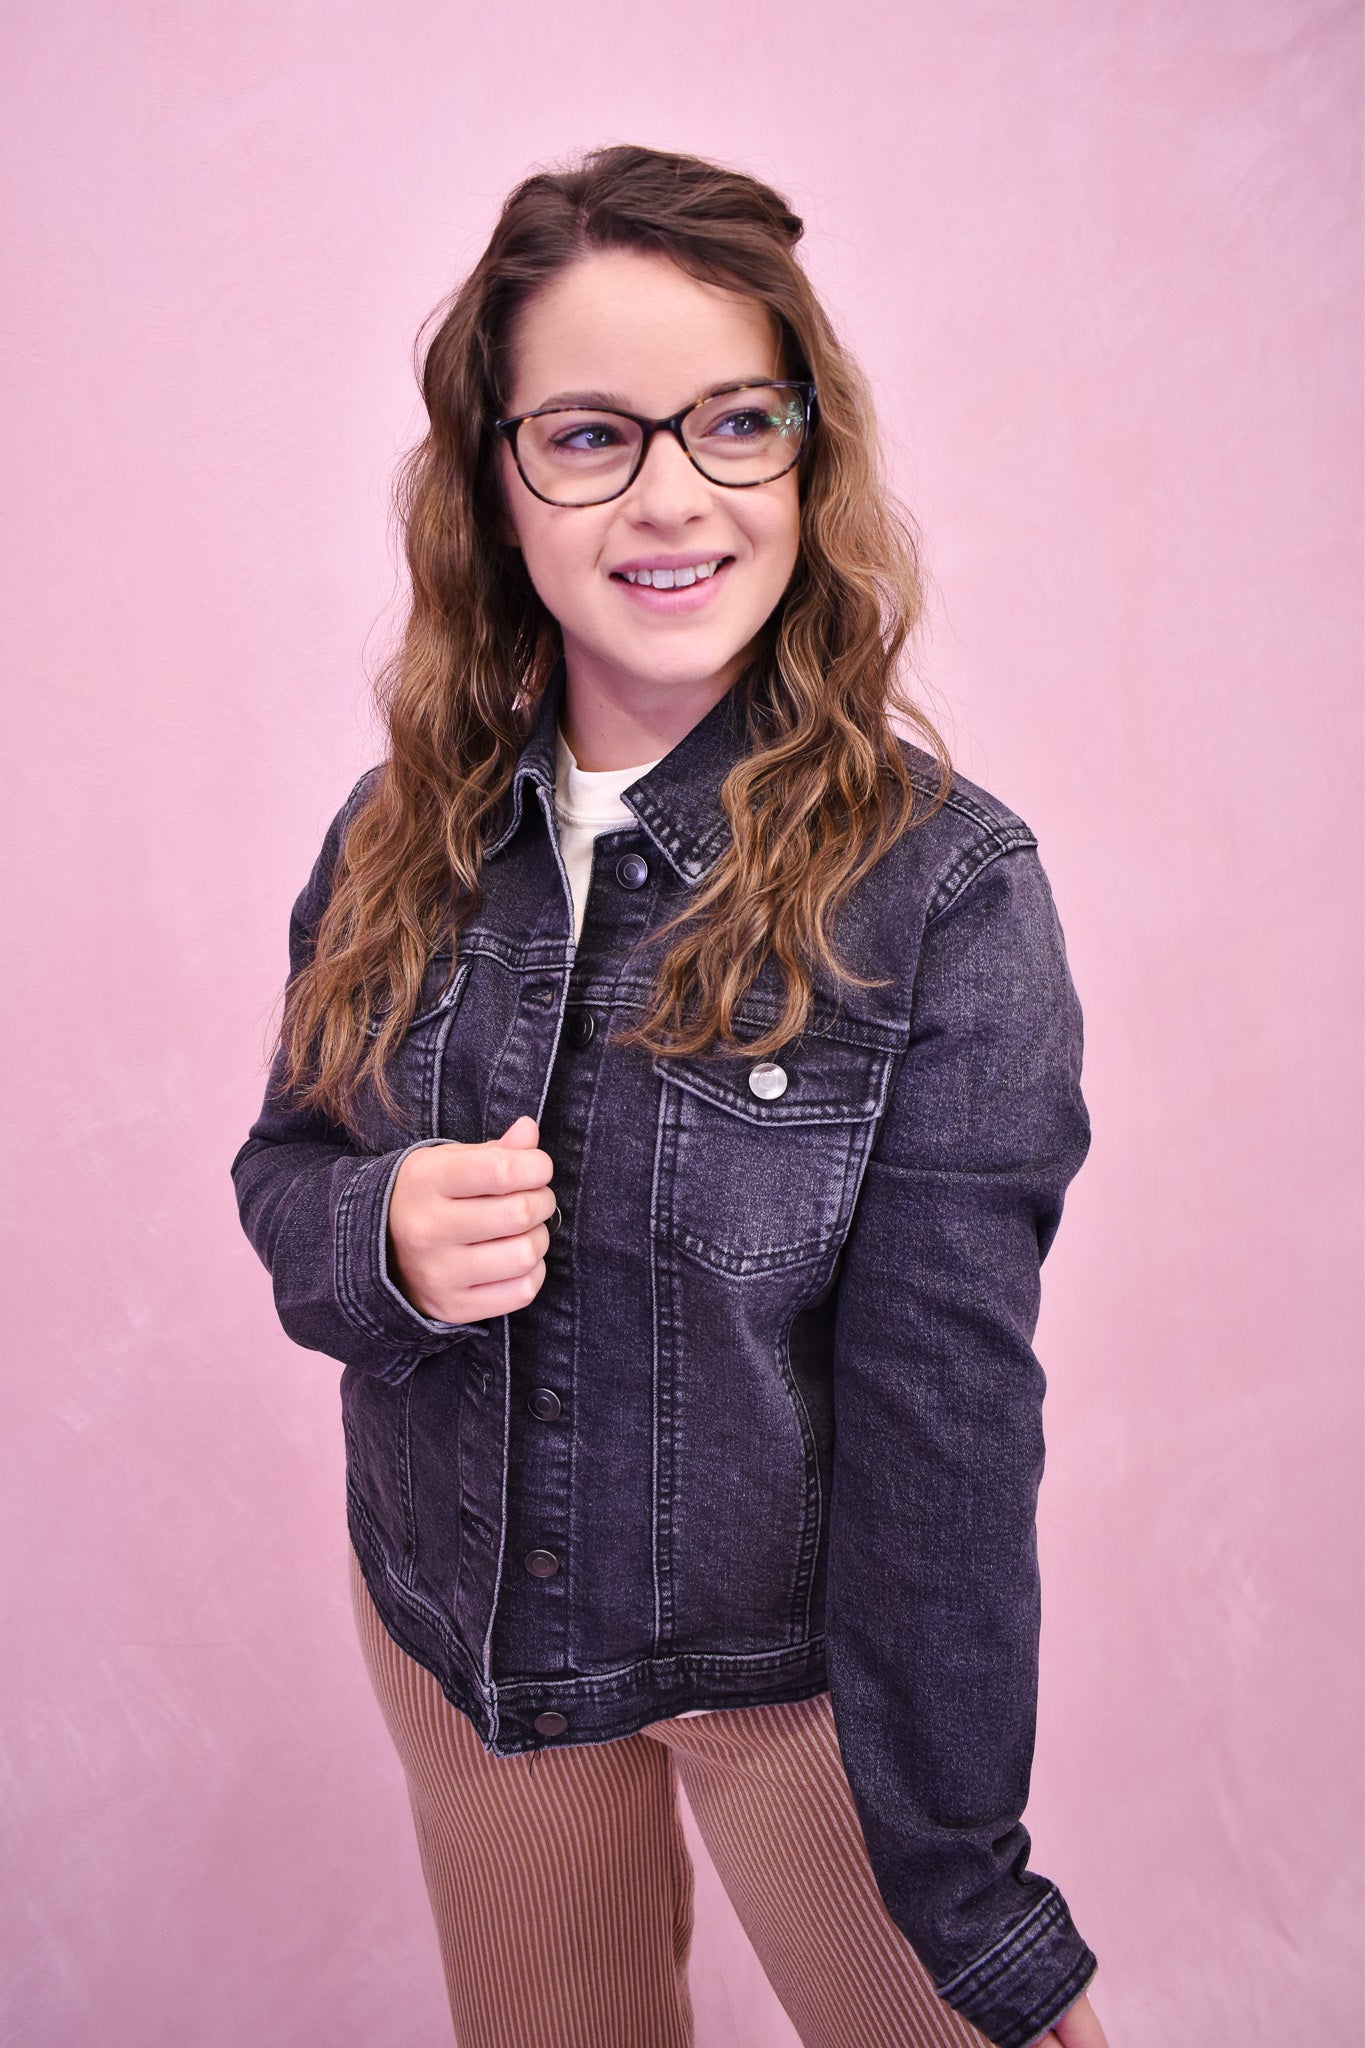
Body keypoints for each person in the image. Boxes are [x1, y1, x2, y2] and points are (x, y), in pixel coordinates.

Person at [231, 143, 1109, 2048]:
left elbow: (947, 1423)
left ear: (804, 452)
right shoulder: (399, 836)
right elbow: (286, 1170)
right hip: (463, 1637)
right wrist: (370, 1233)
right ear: (497, 481)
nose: (673, 495)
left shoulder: (944, 891)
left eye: (732, 422)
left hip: (803, 1687)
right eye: (589, 436)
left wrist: (961, 1886)